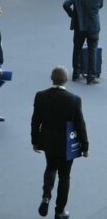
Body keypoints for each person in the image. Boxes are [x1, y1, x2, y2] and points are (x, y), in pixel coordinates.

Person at [31, 67, 88, 219]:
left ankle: (46, 197)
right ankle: (59, 211)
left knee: (50, 167)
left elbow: (35, 121)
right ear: (66, 80)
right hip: (66, 145)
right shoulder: (74, 100)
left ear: (51, 78)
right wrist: (85, 146)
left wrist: (35, 141)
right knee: (64, 176)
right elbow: (80, 125)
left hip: (48, 142)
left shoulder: (40, 96)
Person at [63, 0, 103, 84]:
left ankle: (76, 74)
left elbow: (65, 4)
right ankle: (91, 76)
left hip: (79, 27)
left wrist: (73, 16)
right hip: (93, 28)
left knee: (77, 49)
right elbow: (100, 7)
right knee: (92, 51)